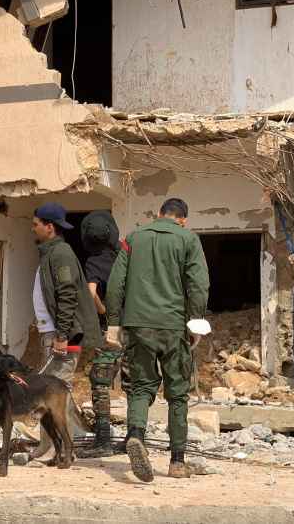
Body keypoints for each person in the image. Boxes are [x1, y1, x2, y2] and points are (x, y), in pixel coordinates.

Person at [106, 198, 209, 481]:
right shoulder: (189, 239)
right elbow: (198, 284)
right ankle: (177, 462)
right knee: (177, 394)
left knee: (140, 387)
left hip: (138, 325)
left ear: (158, 215)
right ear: (183, 219)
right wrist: (195, 322)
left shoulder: (133, 239)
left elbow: (116, 283)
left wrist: (113, 323)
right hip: (174, 326)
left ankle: (136, 435)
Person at [28, 203, 101, 462]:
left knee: (54, 395)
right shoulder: (49, 253)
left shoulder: (61, 254)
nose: (32, 228)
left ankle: (61, 450)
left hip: (62, 335)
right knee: (47, 393)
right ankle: (48, 445)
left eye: (36, 224)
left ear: (50, 227)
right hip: (52, 333)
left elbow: (67, 295)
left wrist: (62, 335)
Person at [76, 210, 129, 459]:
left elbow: (90, 292)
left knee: (100, 381)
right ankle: (135, 436)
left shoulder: (95, 261)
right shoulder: (128, 253)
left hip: (112, 330)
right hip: (138, 327)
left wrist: (103, 310)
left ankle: (104, 438)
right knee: (136, 384)